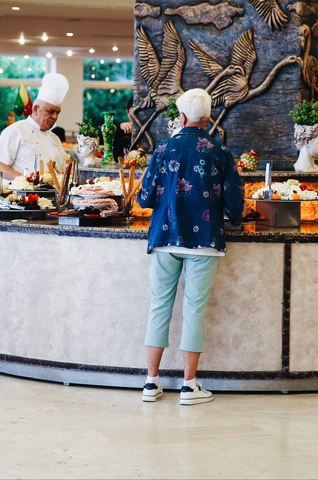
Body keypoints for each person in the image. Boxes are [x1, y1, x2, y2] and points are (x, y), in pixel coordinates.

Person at [136, 88, 244, 406]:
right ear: (207, 118)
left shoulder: (163, 149)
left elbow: (145, 197)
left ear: (181, 117)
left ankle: (151, 382)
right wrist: (235, 217)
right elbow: (234, 200)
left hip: (165, 236)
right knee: (194, 309)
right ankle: (188, 385)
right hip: (205, 240)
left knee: (159, 306)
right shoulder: (219, 151)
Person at [0, 73, 69, 183]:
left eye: (57, 113)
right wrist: (27, 181)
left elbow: (62, 172)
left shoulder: (55, 139)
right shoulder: (15, 130)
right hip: (19, 193)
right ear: (36, 109)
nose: (55, 117)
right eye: (50, 111)